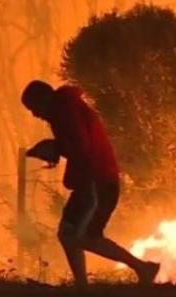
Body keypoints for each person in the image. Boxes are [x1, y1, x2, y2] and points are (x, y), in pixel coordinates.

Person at [21, 80, 160, 286]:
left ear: (44, 99)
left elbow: (82, 146)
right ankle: (82, 286)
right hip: (89, 180)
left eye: (34, 107)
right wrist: (56, 149)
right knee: (68, 233)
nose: (35, 114)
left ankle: (142, 268)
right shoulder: (65, 108)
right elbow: (77, 145)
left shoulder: (65, 110)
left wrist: (55, 148)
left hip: (96, 180)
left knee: (86, 236)